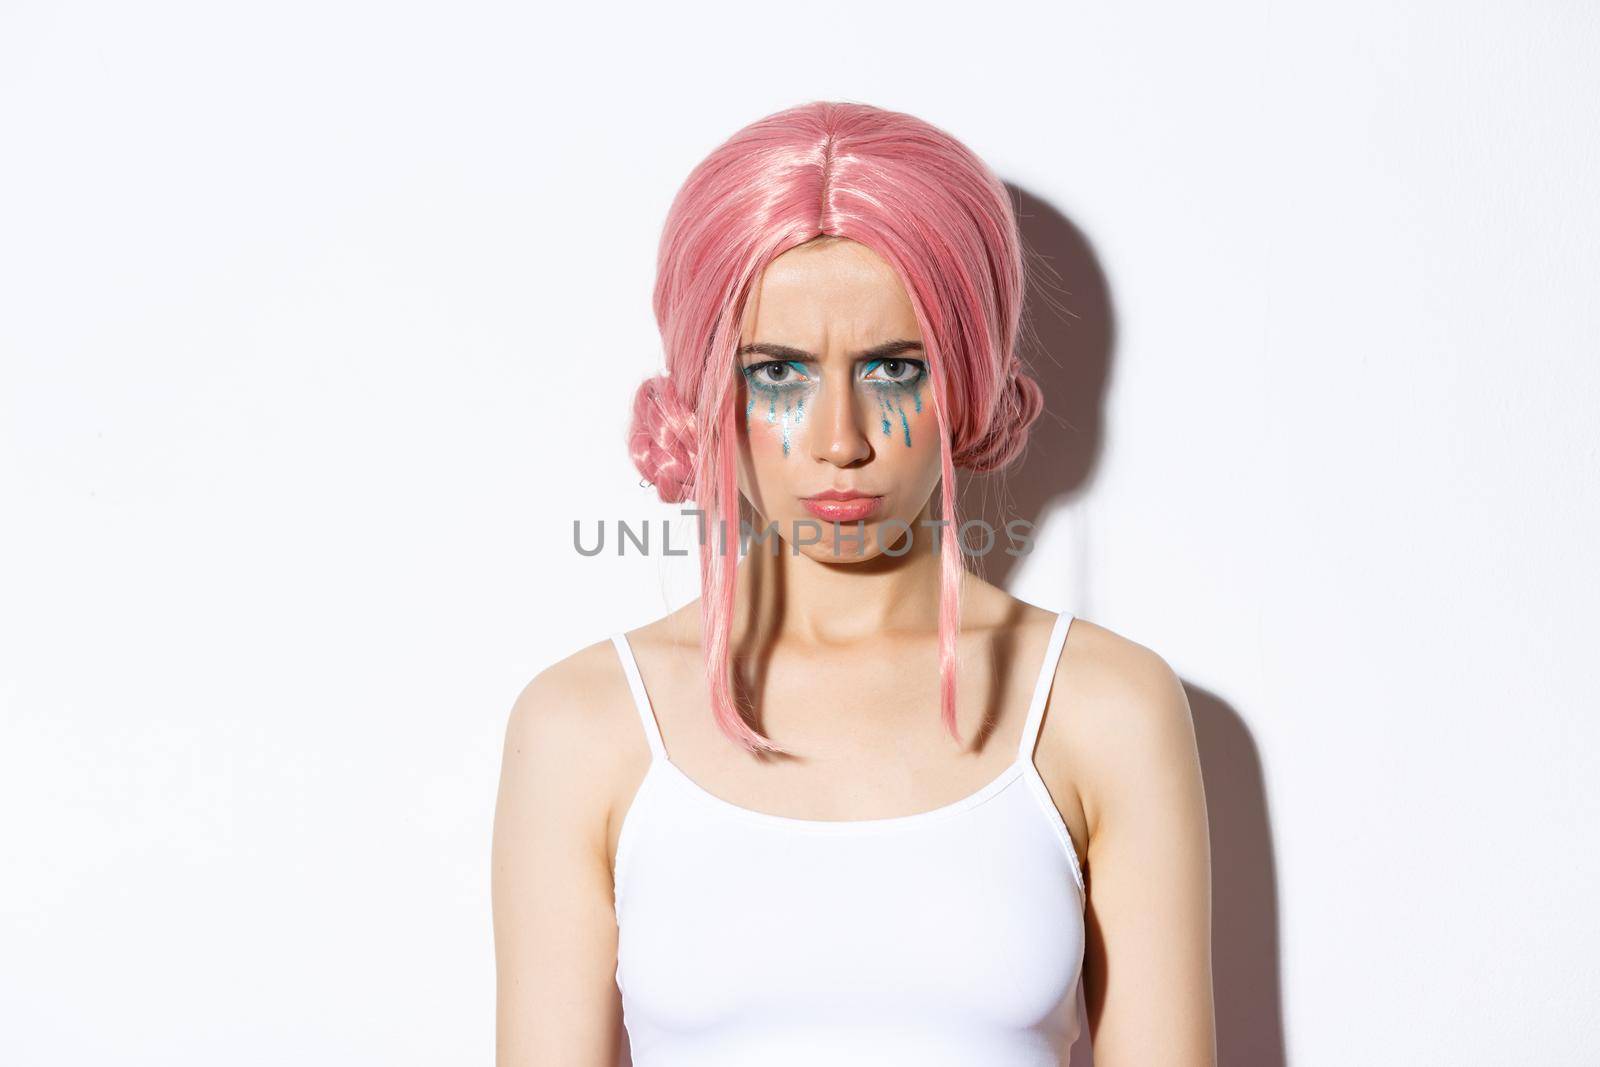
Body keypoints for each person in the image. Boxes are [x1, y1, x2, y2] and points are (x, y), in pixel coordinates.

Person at [492, 101, 1215, 1066]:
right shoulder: (584, 727)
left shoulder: (1104, 708)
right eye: (779, 372)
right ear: (710, 389)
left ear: (966, 376)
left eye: (892, 367)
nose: (842, 439)